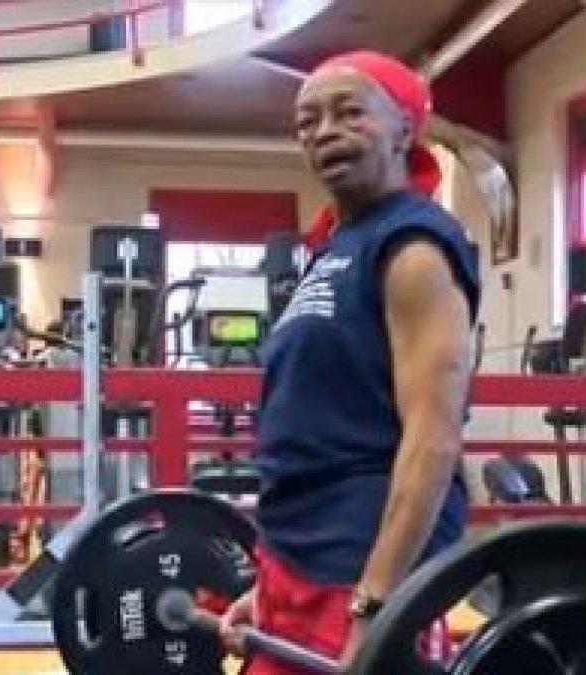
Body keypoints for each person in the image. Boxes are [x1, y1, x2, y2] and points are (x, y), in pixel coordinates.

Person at [218, 50, 481, 672]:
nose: (325, 132)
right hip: (300, 557)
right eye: (307, 121)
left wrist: (375, 606)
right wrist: (269, 592)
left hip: (361, 562)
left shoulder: (413, 248)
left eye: (349, 113)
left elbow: (432, 439)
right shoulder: (338, 246)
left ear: (404, 130)